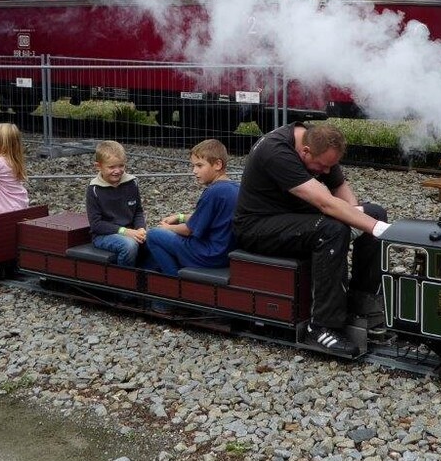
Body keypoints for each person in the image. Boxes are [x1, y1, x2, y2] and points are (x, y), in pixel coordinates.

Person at [233, 122, 389, 356]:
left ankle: (361, 303)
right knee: (332, 229)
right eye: (323, 166)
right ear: (304, 152)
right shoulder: (276, 152)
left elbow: (340, 190)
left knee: (374, 212)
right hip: (258, 226)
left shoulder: (320, 143)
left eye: (330, 166)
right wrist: (379, 229)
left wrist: (363, 217)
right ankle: (322, 327)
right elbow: (325, 203)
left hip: (293, 217)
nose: (326, 171)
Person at [145, 139, 239, 275]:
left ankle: (174, 282)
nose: (194, 171)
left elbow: (189, 231)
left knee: (154, 235)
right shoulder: (235, 188)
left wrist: (168, 228)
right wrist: (180, 217)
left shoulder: (213, 192)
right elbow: (208, 216)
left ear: (218, 164)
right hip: (225, 254)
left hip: (209, 255)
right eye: (193, 166)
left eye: (199, 166)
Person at [86, 140, 146, 265]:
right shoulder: (94, 189)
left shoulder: (132, 183)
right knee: (129, 245)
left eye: (121, 166)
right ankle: (124, 279)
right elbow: (96, 224)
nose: (117, 171)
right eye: (111, 167)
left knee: (155, 239)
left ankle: (148, 275)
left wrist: (141, 228)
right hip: (104, 235)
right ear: (98, 166)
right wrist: (125, 231)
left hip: (130, 230)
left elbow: (138, 211)